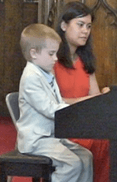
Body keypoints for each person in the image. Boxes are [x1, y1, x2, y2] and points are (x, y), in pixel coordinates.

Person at [17, 23, 93, 182]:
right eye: (51, 54)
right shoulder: (31, 77)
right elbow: (51, 109)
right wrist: (80, 112)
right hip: (37, 141)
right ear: (34, 53)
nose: (56, 58)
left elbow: (57, 103)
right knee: (71, 164)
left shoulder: (45, 73)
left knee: (86, 157)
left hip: (52, 136)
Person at [54, 2, 110, 182]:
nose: (85, 31)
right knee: (101, 142)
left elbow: (95, 98)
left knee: (116, 138)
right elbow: (52, 102)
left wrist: (105, 95)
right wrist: (88, 100)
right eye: (80, 25)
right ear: (64, 26)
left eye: (88, 26)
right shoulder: (50, 59)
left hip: (84, 122)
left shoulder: (85, 60)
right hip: (62, 126)